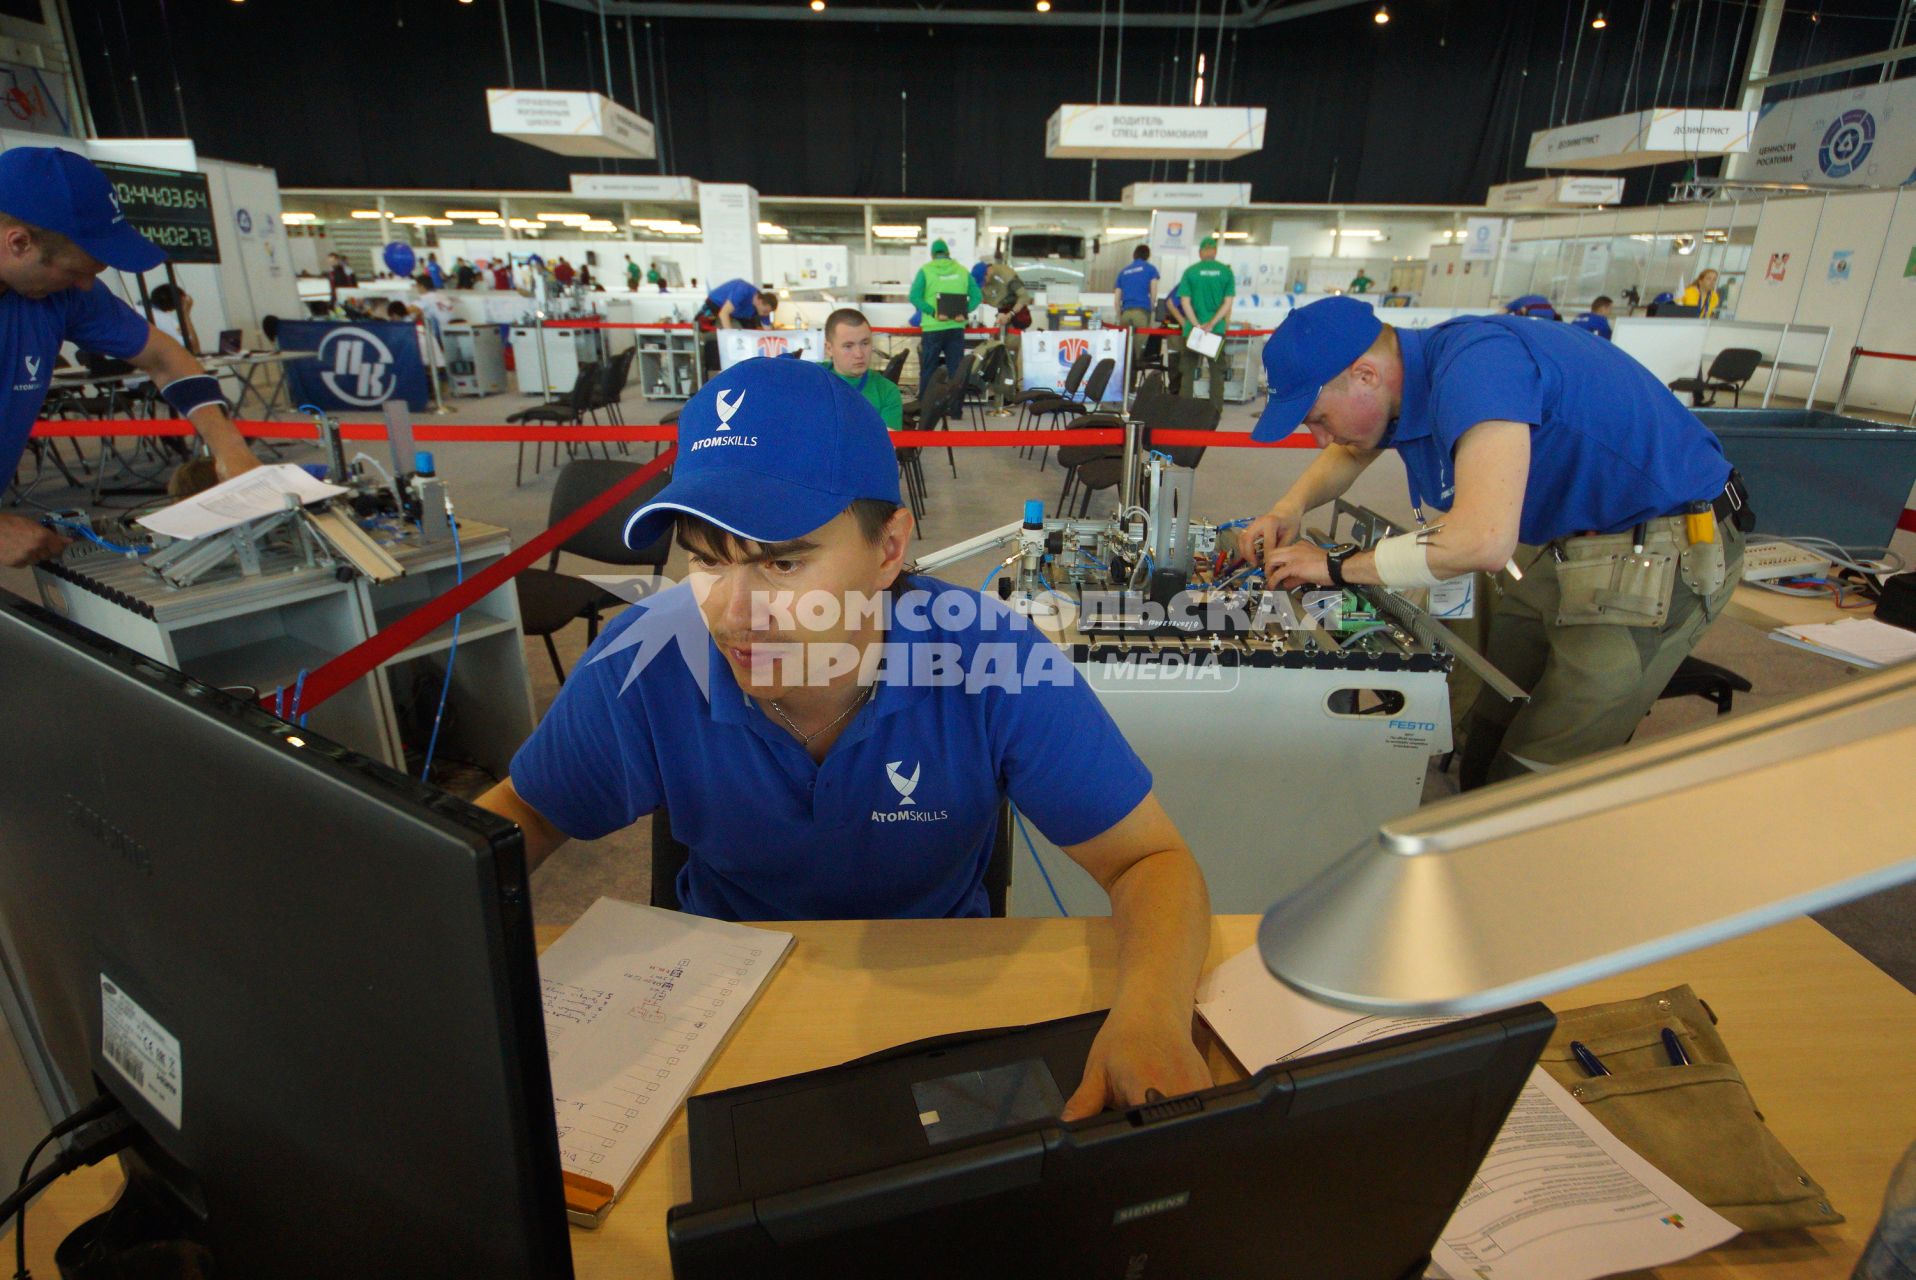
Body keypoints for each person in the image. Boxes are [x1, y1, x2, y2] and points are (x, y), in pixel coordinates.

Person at [475, 357, 1213, 1118]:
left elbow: (1149, 860)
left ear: (890, 549)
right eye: (705, 560)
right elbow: (520, 818)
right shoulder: (646, 656)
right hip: (715, 1003)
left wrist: (1153, 1015)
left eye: (782, 562)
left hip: (941, 1002)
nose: (734, 612)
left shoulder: (990, 658)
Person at [1238, 296, 1748, 790]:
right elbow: (1351, 451)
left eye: (1319, 419)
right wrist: (1289, 508)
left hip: (1661, 549)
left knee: (1543, 765)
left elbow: (1481, 542)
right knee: (1488, 708)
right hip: (1562, 537)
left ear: (1366, 376)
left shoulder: (1477, 370)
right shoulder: (1411, 377)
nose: (1321, 438)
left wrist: (1336, 566)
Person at [0, 147, 259, 566]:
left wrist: (228, 448)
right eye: (75, 270)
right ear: (19, 243)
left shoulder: (61, 295)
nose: (86, 286)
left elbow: (164, 358)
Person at [908, 238, 980, 387]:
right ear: (948, 253)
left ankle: (926, 407)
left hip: (933, 328)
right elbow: (977, 296)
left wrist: (933, 312)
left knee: (928, 370)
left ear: (932, 255)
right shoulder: (962, 271)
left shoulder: (925, 271)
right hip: (956, 328)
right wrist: (964, 312)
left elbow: (914, 296)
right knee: (956, 371)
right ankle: (954, 409)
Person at [1175, 236, 1235, 411]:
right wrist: (1211, 323)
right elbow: (1228, 303)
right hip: (1215, 330)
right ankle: (1215, 409)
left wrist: (1197, 325)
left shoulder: (1190, 271)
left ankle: (1184, 408)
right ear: (1215, 251)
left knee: (1188, 370)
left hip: (1193, 331)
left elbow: (1185, 302)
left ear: (1201, 252)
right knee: (1217, 371)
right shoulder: (1226, 272)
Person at [821, 307, 902, 429]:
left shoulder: (887, 391)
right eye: (848, 346)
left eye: (865, 343)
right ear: (829, 349)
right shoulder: (812, 382)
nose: (859, 354)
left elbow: (884, 447)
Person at [696, 277, 777, 382]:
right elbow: (723, 313)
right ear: (760, 302)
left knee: (747, 336)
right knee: (734, 335)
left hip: (735, 315)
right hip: (716, 309)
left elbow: (767, 329)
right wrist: (731, 339)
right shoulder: (742, 290)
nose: (765, 314)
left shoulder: (761, 306)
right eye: (765, 312)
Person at [1113, 244, 1160, 384]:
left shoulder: (1123, 272)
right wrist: (1151, 310)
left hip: (1126, 313)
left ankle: (1121, 386)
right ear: (1147, 255)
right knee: (1136, 354)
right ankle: (1131, 387)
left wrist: (1120, 316)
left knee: (1124, 351)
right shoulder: (1150, 270)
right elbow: (1154, 293)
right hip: (1141, 313)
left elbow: (1116, 299)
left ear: (1134, 254)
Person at [148, 282, 200, 354]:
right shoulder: (164, 319)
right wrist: (186, 314)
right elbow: (194, 349)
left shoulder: (139, 310)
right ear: (181, 300)